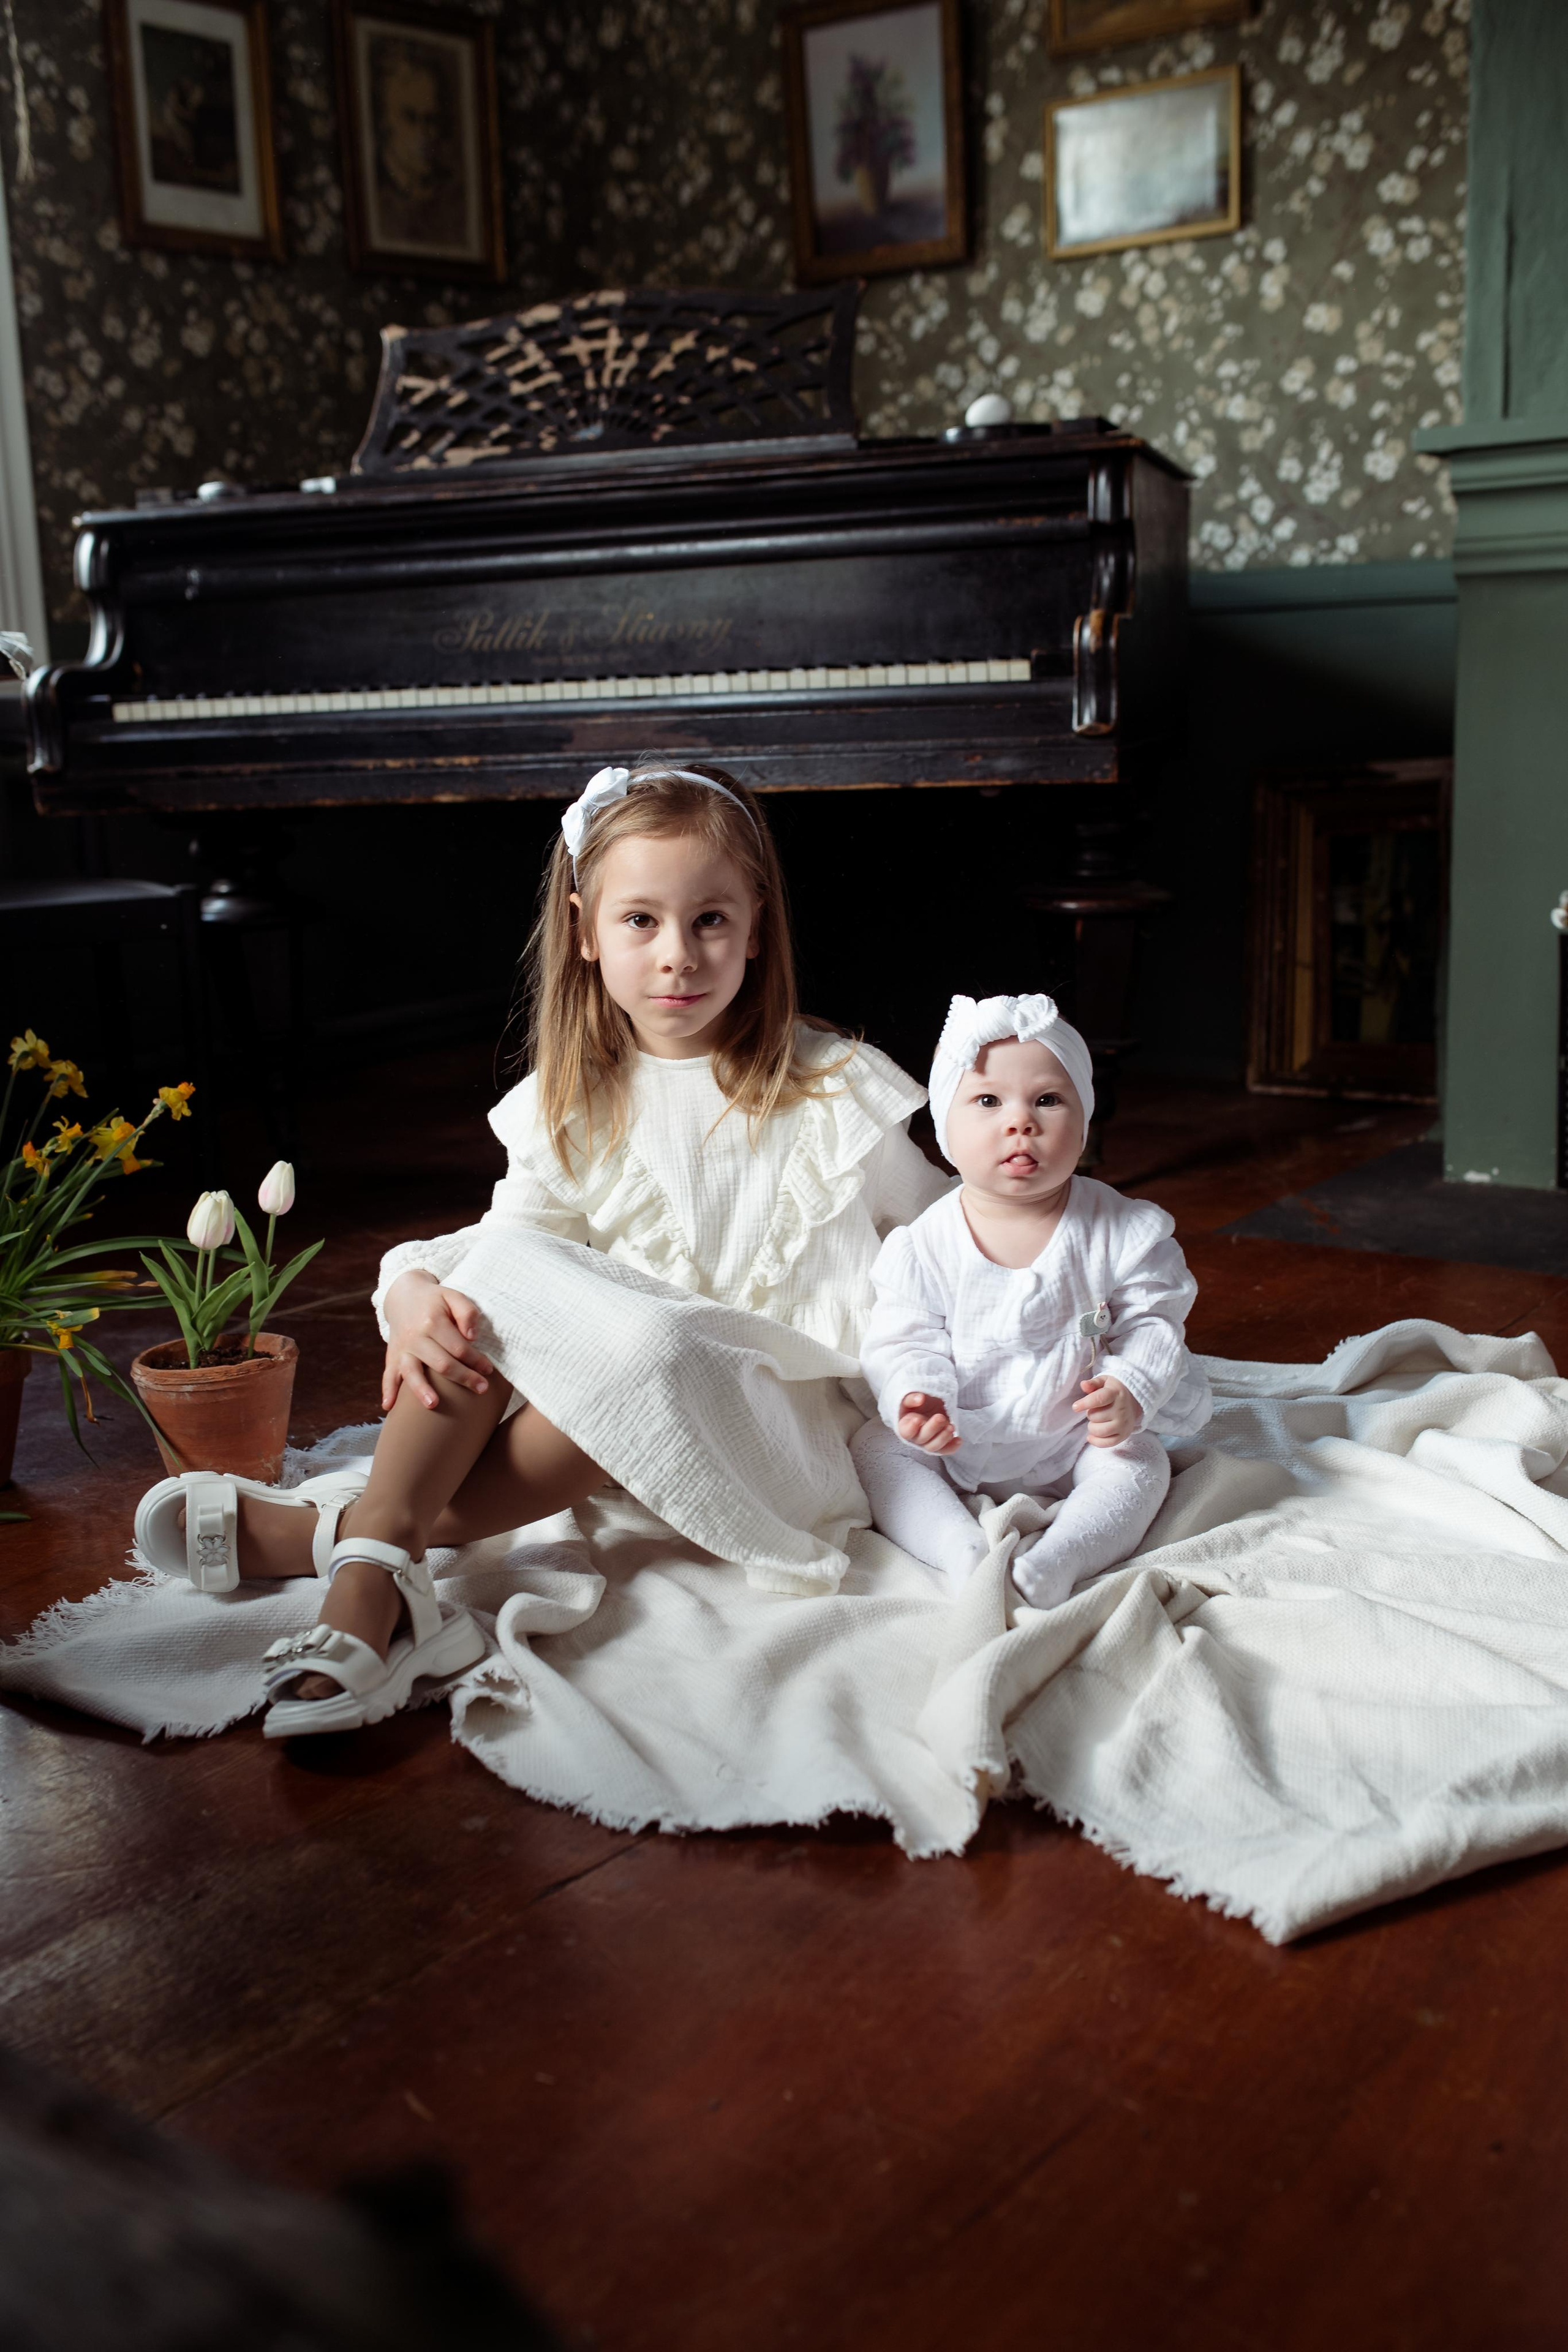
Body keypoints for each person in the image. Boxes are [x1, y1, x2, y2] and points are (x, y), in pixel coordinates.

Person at [132, 761, 948, 1735]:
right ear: (584, 931)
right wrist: (411, 1291)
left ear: (759, 928)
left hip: (779, 1431)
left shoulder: (836, 1091)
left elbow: (949, 1246)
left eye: (711, 921)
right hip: (620, 1419)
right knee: (511, 1299)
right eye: (641, 920)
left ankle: (342, 1541)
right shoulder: (573, 1105)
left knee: (630, 1339)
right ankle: (383, 1565)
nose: (678, 955)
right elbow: (508, 1257)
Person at [850, 993, 1210, 1609]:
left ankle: (1063, 1555)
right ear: (946, 1129)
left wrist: (1131, 1387)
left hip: (1075, 1432)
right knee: (876, 1450)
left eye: (1047, 1100)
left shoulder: (1120, 1231)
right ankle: (954, 1546)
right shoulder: (924, 1244)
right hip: (960, 1432)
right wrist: (918, 1397)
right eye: (988, 1102)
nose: (1020, 1121)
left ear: (1084, 1120)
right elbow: (903, 1336)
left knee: (1141, 1463)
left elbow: (1154, 1322)